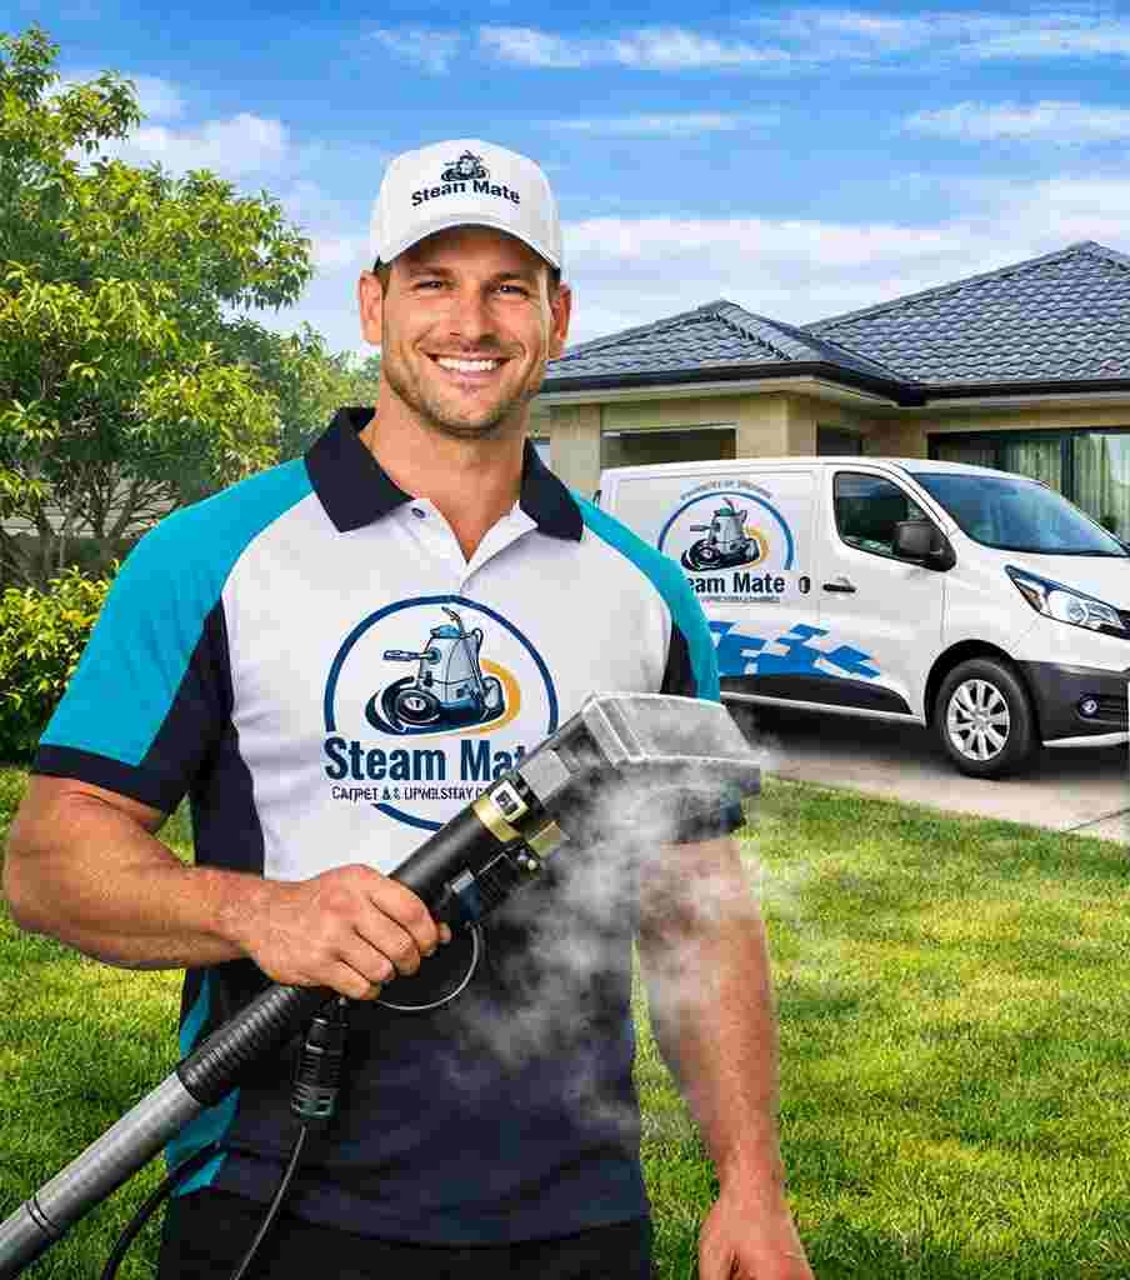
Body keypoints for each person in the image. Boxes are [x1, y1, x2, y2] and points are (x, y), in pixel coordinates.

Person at [2, 139, 812, 1280]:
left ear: (557, 316)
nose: (470, 322)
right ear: (374, 304)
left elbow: (696, 905)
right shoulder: (209, 559)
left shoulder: (646, 592)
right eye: (433, 281)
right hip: (269, 1192)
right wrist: (260, 912)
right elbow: (49, 862)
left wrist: (752, 1182)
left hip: (574, 1210)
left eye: (508, 287)